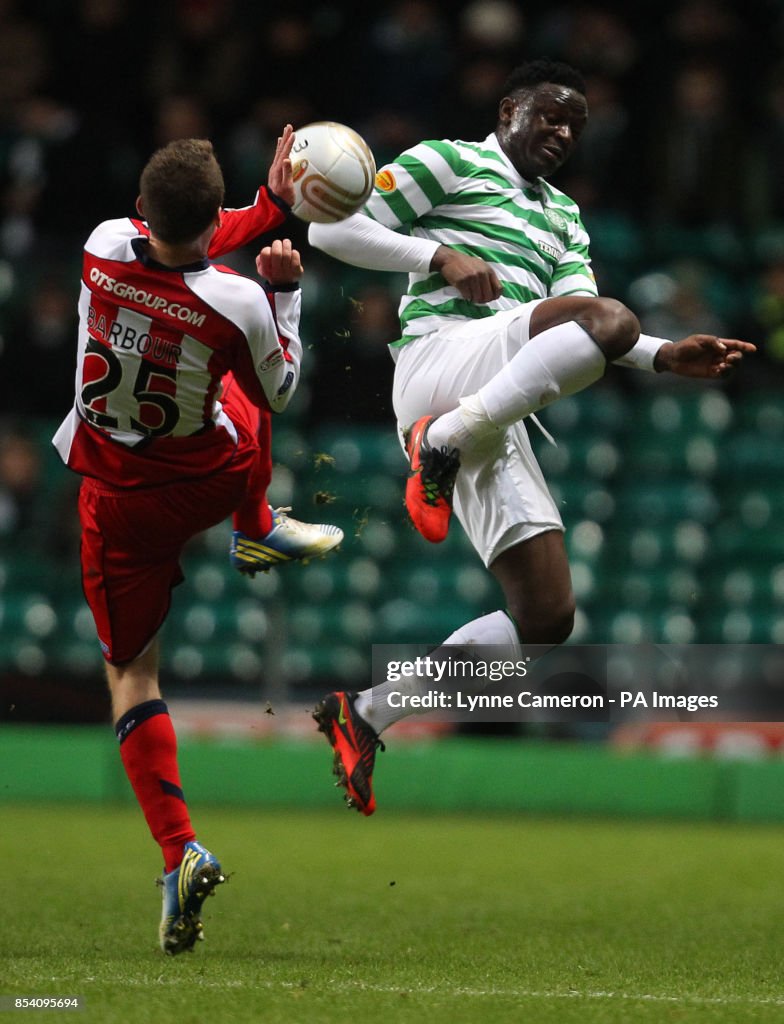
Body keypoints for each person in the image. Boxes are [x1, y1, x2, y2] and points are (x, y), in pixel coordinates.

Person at [307, 58, 756, 816]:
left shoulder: (563, 217)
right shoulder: (449, 160)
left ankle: (369, 713)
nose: (562, 132)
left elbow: (583, 319)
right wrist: (435, 255)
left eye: (575, 125)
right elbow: (329, 228)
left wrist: (665, 357)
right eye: (549, 114)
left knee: (546, 619)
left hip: (491, 399)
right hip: (439, 355)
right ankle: (440, 440)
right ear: (511, 107)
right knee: (611, 318)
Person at [52, 130, 332, 955]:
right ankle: (258, 529)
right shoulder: (238, 298)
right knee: (245, 401)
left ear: (142, 211)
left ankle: (180, 853)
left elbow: (186, 242)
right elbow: (281, 385)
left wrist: (267, 208)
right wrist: (285, 292)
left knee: (132, 673)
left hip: (120, 500)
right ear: (214, 221)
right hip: (209, 479)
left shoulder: (103, 243)